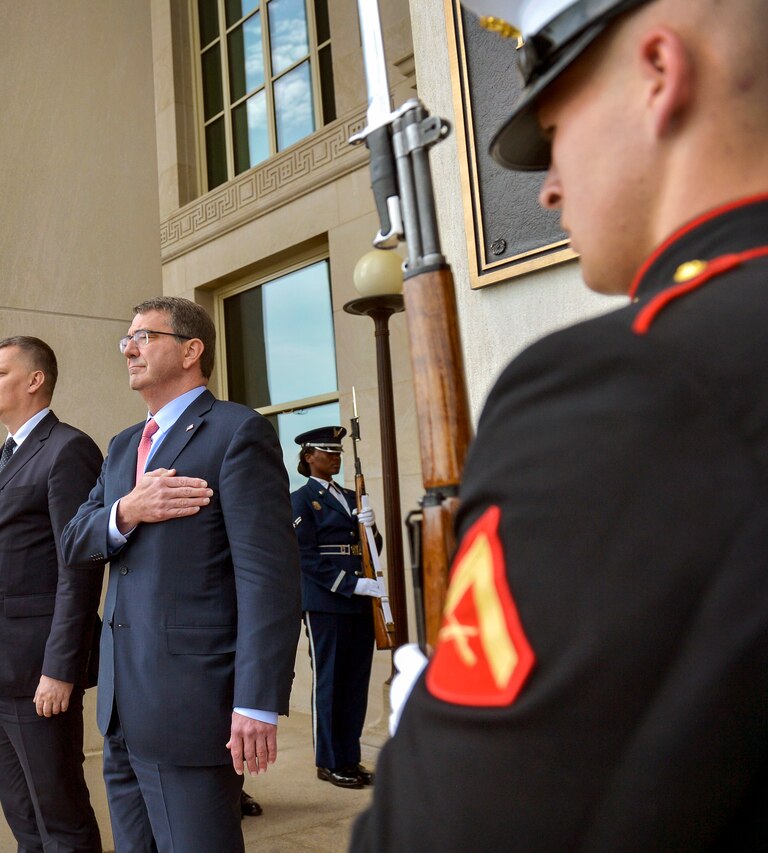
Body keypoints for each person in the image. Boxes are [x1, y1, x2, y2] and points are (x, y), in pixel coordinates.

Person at [351, 0, 768, 850]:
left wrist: (446, 732)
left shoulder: (630, 384)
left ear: (659, 71)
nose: (546, 186)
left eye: (553, 129)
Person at [61, 296, 301, 852]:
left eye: (144, 336)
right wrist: (128, 510)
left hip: (194, 709)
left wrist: (256, 701)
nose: (129, 347)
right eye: (126, 338)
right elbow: (75, 540)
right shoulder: (123, 445)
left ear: (191, 350)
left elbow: (269, 578)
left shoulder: (237, 433)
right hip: (122, 708)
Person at [0, 336, 104, 852]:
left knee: (60, 816)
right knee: (23, 816)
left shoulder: (68, 449)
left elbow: (78, 569)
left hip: (39, 673)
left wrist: (60, 669)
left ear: (35, 379)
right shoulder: (5, 454)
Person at [289, 427, 382, 790]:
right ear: (308, 457)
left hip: (359, 600)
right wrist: (348, 583)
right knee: (330, 682)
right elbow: (303, 555)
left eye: (337, 452)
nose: (335, 457)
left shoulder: (350, 495)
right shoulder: (301, 499)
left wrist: (371, 530)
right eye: (327, 452)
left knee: (355, 682)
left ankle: (349, 757)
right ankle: (328, 762)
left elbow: (368, 550)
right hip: (326, 600)